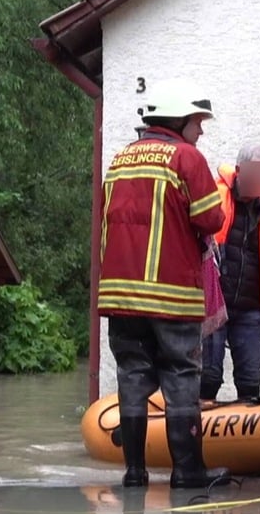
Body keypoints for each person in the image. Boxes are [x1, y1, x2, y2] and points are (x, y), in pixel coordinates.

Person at [98, 78, 230, 489]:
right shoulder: (186, 158)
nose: (201, 132)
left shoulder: (121, 159)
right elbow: (211, 220)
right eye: (197, 123)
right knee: (181, 376)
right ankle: (187, 471)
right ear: (179, 122)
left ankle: (135, 472)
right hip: (171, 294)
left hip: (120, 294)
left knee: (133, 376)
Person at [199, 145, 260, 402]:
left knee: (250, 379)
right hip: (214, 304)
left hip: (249, 308)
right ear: (239, 171)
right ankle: (194, 430)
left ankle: (247, 430)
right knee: (209, 375)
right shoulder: (213, 200)